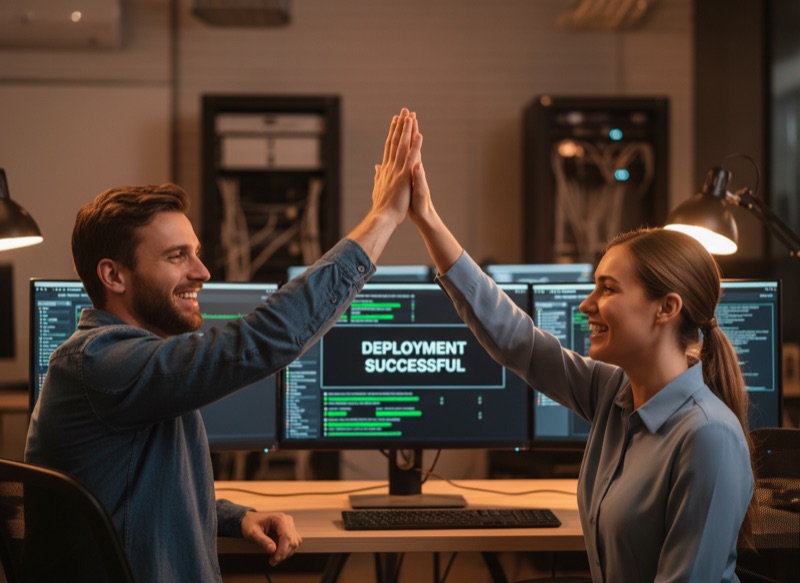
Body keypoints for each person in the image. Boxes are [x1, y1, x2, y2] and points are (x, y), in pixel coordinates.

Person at [24, 108, 421, 583]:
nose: (202, 271)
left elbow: (145, 491)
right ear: (114, 275)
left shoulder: (129, 366)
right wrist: (382, 219)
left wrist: (237, 517)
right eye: (177, 257)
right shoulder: (100, 362)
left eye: (196, 252)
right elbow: (262, 340)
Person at [406, 120, 756, 582]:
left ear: (666, 308)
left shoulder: (708, 437)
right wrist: (427, 218)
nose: (586, 305)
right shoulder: (616, 393)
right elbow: (519, 342)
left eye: (607, 289)